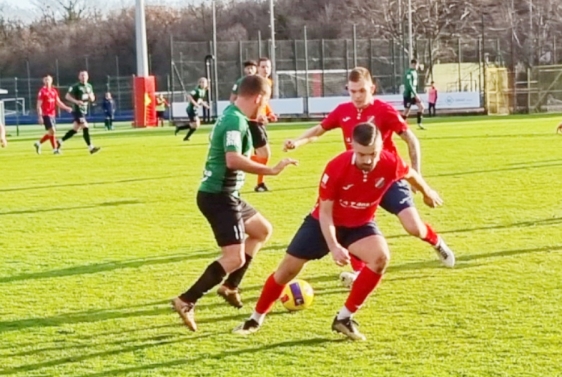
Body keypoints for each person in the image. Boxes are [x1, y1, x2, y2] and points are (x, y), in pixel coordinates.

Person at [234, 122, 443, 340]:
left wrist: (427, 192)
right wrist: (334, 246)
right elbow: (325, 213)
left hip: (360, 225)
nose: (368, 160)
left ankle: (344, 318)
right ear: (352, 145)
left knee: (380, 258)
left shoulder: (389, 162)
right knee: (286, 272)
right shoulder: (336, 167)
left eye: (373, 153)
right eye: (362, 154)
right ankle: (255, 319)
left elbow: (410, 174)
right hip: (322, 224)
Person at [283, 67, 455, 285]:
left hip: (388, 177)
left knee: (413, 227)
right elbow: (318, 130)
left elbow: (411, 140)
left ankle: (436, 242)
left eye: (361, 91)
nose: (357, 96)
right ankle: (359, 272)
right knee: (352, 223)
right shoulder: (342, 110)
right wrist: (297, 142)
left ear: (372, 88)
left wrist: (419, 179)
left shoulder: (384, 111)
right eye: (352, 91)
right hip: (356, 178)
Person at [171, 75, 297, 332]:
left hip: (228, 194)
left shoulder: (236, 116)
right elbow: (232, 159)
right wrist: (271, 171)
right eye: (266, 101)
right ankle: (186, 300)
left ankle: (230, 286)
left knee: (261, 230)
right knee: (234, 257)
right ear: (259, 97)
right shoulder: (233, 120)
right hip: (218, 196)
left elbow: (247, 154)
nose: (265, 106)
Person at [57, 71, 100, 154]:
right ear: (79, 77)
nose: (84, 77)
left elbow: (92, 98)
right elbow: (67, 96)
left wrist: (92, 98)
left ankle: (59, 141)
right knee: (85, 127)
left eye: (85, 75)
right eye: (82, 75)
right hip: (77, 111)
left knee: (75, 129)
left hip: (84, 110)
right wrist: (76, 102)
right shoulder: (76, 86)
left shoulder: (89, 86)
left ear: (87, 77)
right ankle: (91, 148)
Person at [251, 57, 278, 192]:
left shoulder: (268, 82)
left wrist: (270, 113)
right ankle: (230, 160)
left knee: (263, 155)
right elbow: (251, 102)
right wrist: (258, 115)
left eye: (268, 67)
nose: (266, 69)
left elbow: (264, 103)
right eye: (263, 67)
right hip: (251, 121)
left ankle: (260, 184)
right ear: (258, 68)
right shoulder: (255, 83)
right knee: (265, 154)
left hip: (259, 122)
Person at [34, 75, 72, 155]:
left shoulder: (54, 91)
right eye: (46, 80)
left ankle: (39, 143)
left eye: (49, 80)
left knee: (51, 132)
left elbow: (58, 102)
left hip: (52, 114)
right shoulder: (42, 91)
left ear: (51, 81)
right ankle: (55, 149)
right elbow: (39, 105)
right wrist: (40, 116)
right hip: (46, 114)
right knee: (53, 131)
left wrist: (66, 108)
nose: (47, 81)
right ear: (43, 81)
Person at [403, 59, 425, 130]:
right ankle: (400, 124)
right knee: (407, 111)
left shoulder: (415, 72)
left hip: (414, 94)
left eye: (417, 65)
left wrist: (415, 94)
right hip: (408, 94)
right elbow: (409, 85)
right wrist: (415, 94)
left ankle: (419, 124)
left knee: (421, 107)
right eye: (416, 65)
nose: (417, 66)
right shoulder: (409, 73)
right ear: (412, 64)